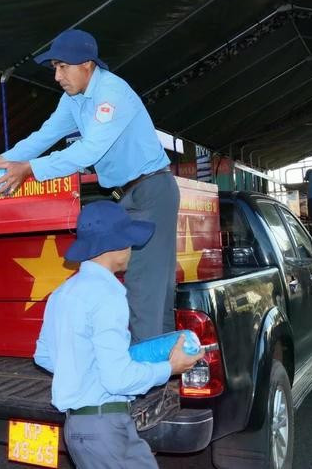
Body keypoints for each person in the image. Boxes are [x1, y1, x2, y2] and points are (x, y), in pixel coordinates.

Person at [0, 29, 179, 342]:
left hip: (152, 191)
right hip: (130, 194)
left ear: (87, 65)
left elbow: (90, 150)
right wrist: (0, 160)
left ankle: (144, 379)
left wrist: (29, 169)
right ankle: (159, 369)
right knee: (150, 290)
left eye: (62, 67)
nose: (57, 76)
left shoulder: (111, 94)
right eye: (55, 67)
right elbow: (43, 137)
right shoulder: (73, 99)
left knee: (144, 287)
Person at [34, 201, 204, 469]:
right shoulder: (108, 294)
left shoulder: (62, 293)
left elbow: (44, 354)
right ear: (116, 245)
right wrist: (170, 367)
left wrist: (86, 370)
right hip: (106, 430)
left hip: (77, 429)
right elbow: (118, 379)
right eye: (129, 241)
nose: (131, 249)